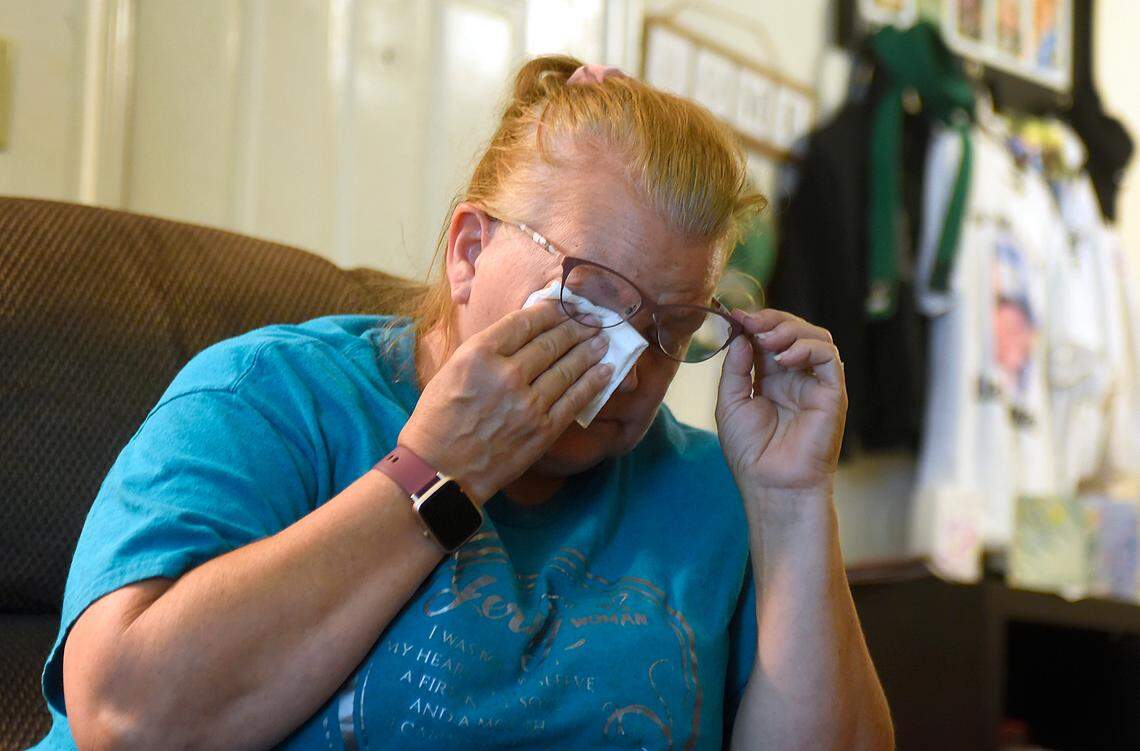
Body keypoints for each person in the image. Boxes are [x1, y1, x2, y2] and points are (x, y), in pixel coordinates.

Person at [36, 56, 893, 750]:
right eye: (593, 299)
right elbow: (126, 717)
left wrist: (789, 506)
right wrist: (438, 474)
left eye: (672, 330)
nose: (631, 369)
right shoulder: (271, 398)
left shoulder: (708, 491)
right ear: (469, 251)